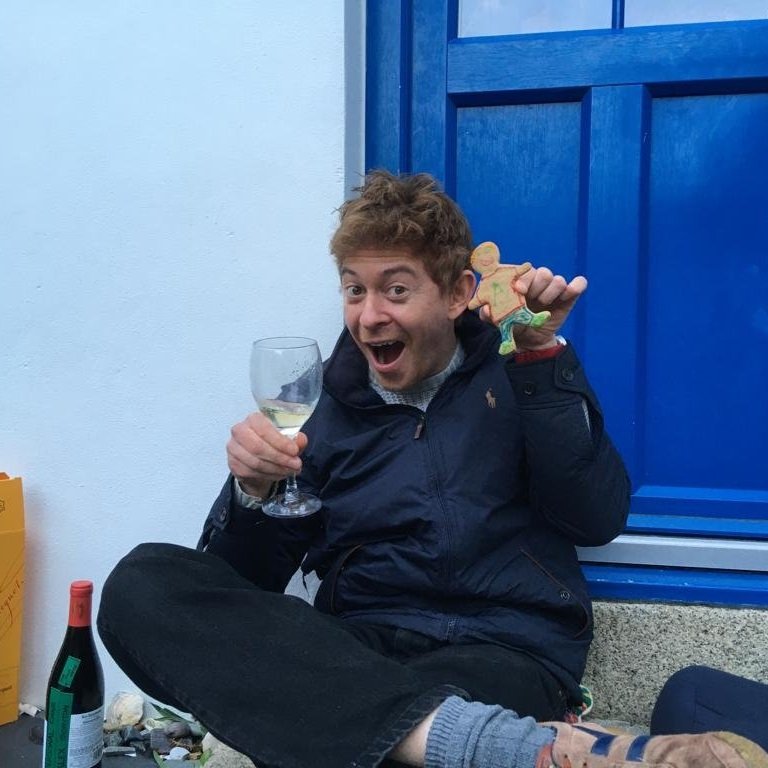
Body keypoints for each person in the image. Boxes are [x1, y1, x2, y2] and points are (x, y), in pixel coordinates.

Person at [97, 171, 768, 768]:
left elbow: (596, 517)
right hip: (357, 643)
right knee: (140, 584)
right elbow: (245, 586)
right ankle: (509, 748)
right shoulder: (316, 406)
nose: (369, 316)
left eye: (395, 289)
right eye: (354, 290)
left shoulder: (520, 375)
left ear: (457, 294)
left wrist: (542, 361)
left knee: (343, 730)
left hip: (505, 644)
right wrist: (252, 490)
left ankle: (450, 737)